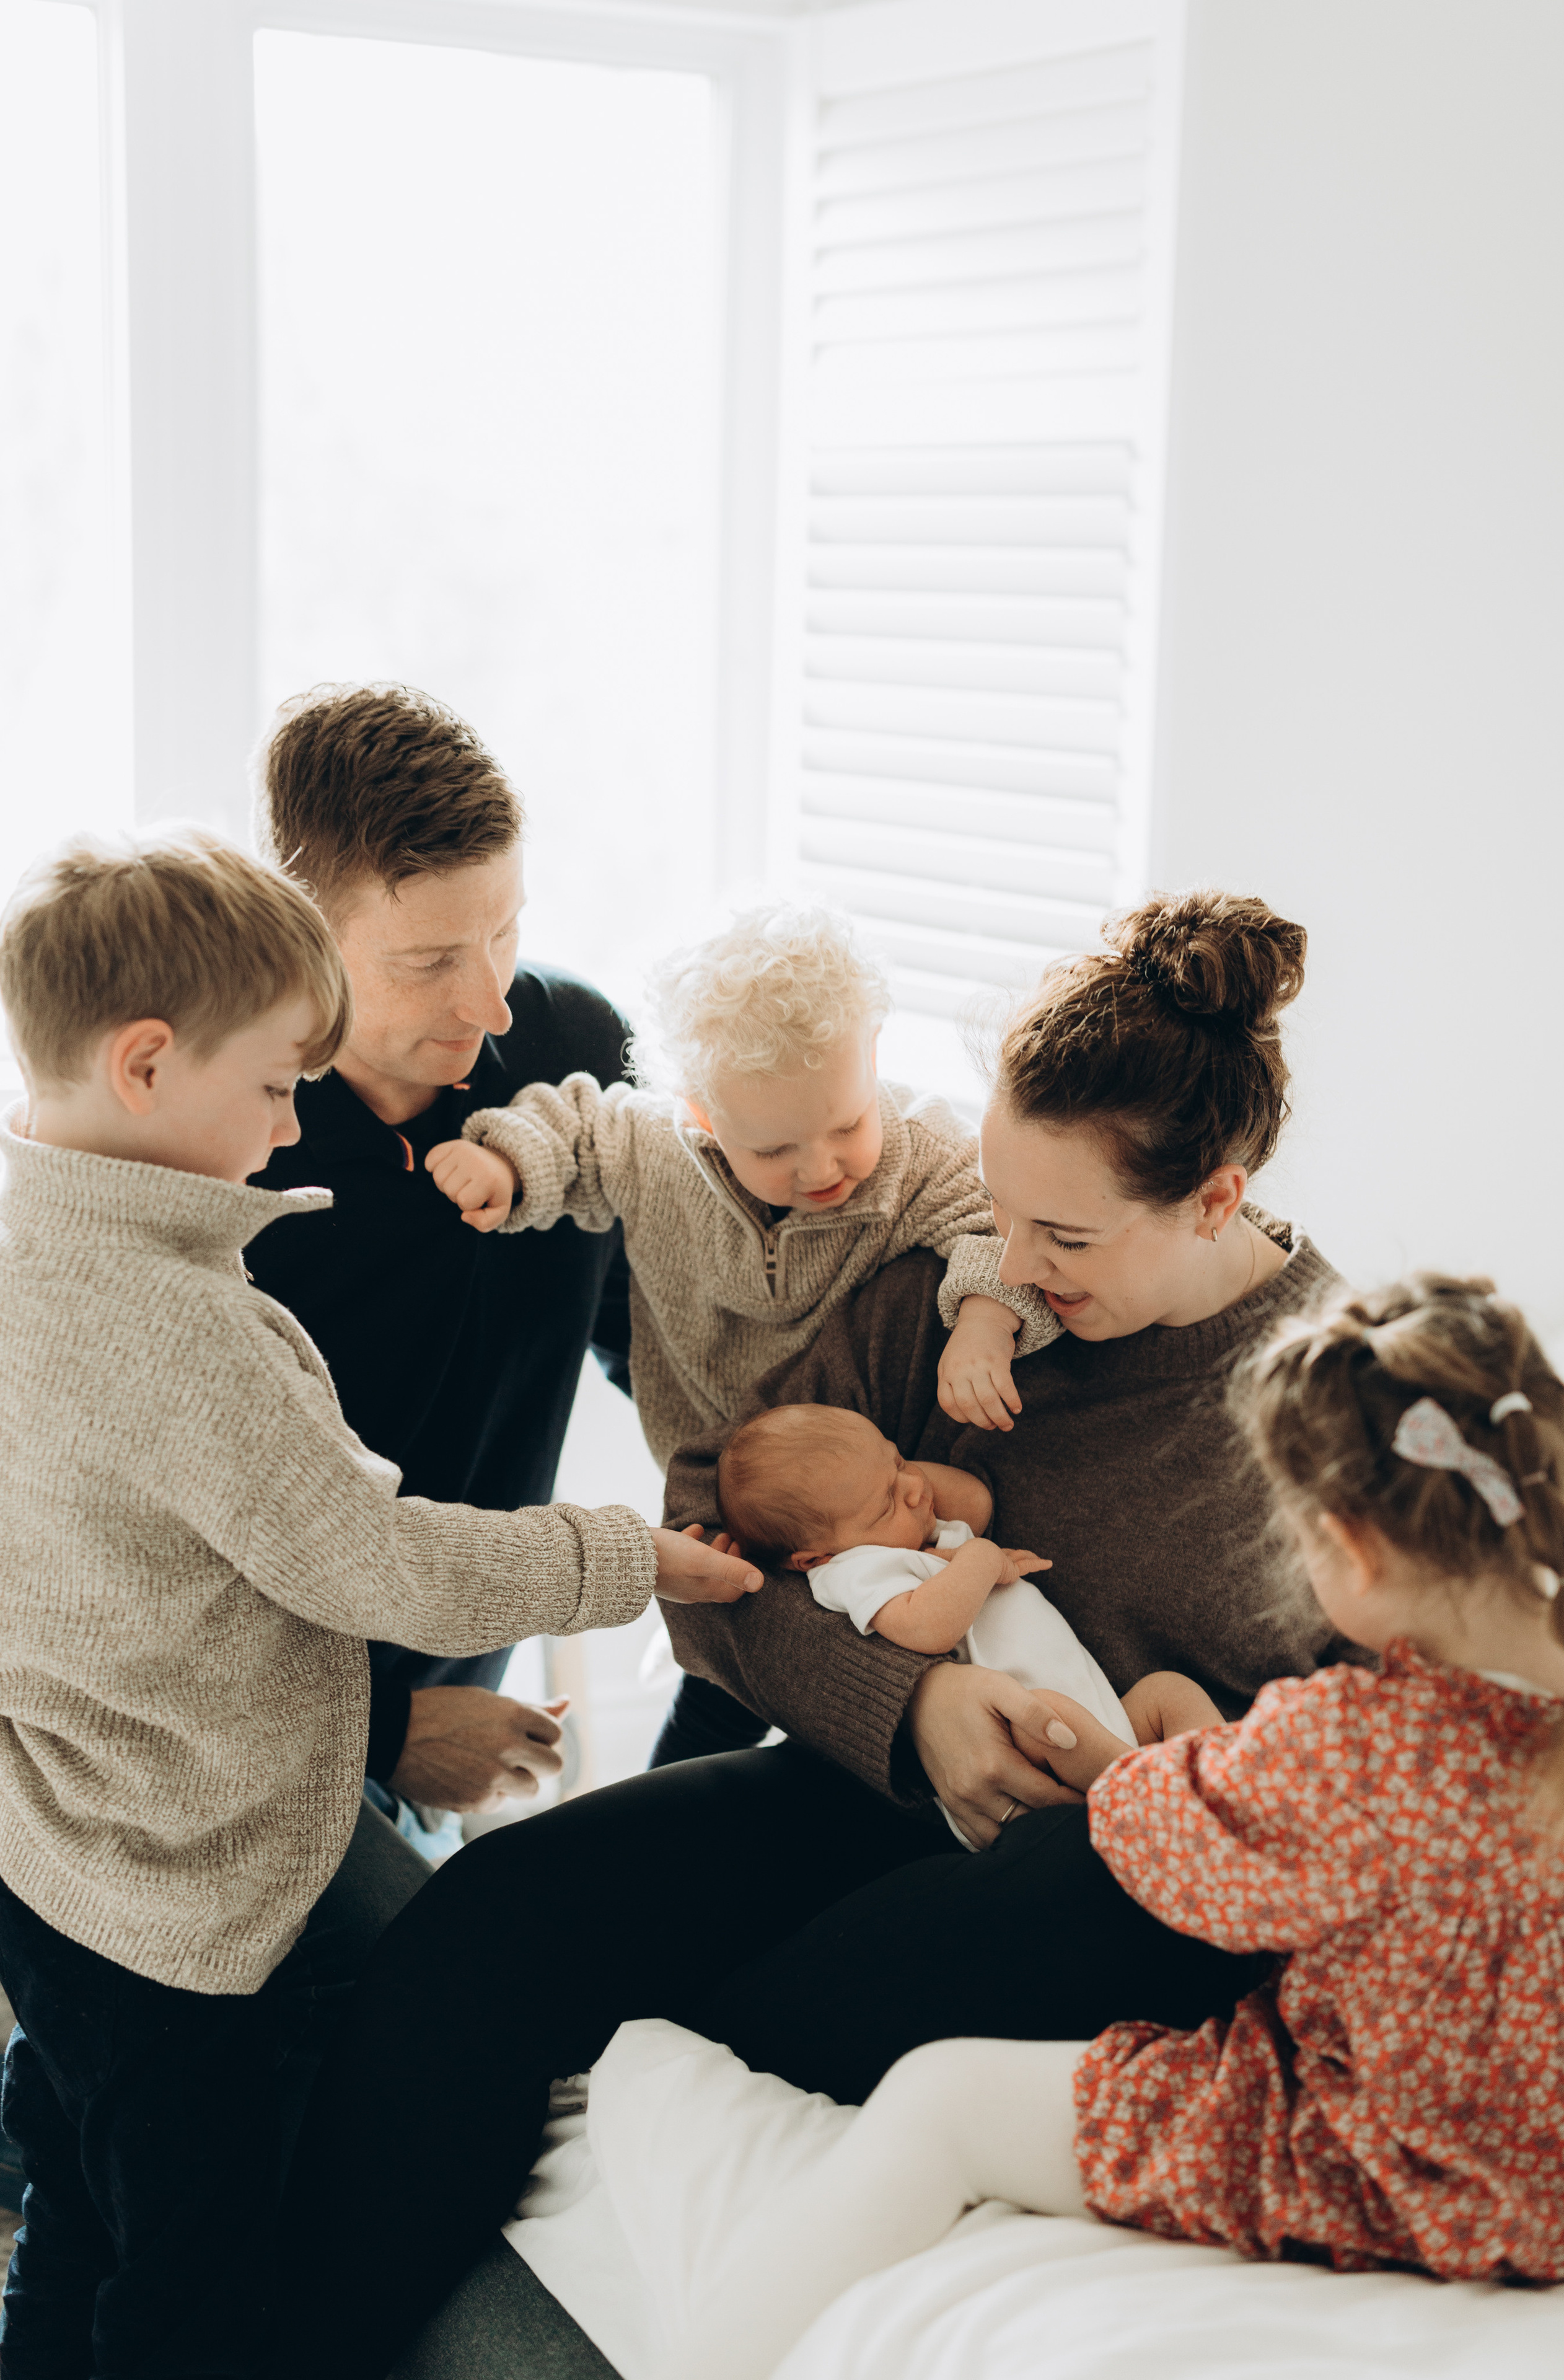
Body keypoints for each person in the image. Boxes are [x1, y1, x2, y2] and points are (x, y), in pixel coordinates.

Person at [276, 888, 1352, 2380]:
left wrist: (1180, 1750)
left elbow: (1371, 1774)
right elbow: (719, 1557)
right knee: (491, 1916)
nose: (1011, 1267)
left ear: (1216, 1199)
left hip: (1111, 1868)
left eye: (1062, 1235)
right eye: (993, 1204)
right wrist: (905, 1707)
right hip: (868, 1782)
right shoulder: (950, 1294)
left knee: (1070, 1888)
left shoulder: (1332, 1415)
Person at [0, 830, 759, 2380]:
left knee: (79, 2205)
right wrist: (627, 1555)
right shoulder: (190, 1327)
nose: (295, 1120)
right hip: (185, 1912)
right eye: (279, 1083)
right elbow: (379, 1560)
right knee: (195, 2279)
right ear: (146, 1064)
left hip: (52, 1861)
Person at [591, 1271, 1564, 2380]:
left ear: (1348, 1553)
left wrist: (1106, 1755)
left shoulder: (1358, 1743)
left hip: (1412, 2171)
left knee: (943, 2097)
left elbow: (1162, 1841)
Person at [427, 901, 1058, 1765]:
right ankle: (668, 1822)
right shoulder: (650, 1145)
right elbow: (575, 1127)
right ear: (698, 1113)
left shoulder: (915, 1154)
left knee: (867, 1635)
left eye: (846, 1126)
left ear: (872, 1061)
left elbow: (987, 1225)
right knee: (720, 1640)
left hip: (851, 1468)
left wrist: (985, 1321)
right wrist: (504, 1160)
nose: (822, 1167)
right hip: (712, 1454)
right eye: (776, 1149)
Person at [248, 682, 636, 1833]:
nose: (491, 1003)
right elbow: (148, 1558)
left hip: (466, 1698)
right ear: (300, 936)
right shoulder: (227, 1140)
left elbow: (653, 1320)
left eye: (505, 932)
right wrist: (383, 1725)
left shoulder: (575, 1050)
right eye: (428, 963)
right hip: (249, 1740)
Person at [715, 1401, 1221, 1843]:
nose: (914, 1488)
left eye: (899, 1460)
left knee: (1168, 1693)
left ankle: (1231, 1789)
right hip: (1025, 1745)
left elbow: (976, 1502)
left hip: (1103, 1714)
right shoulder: (852, 1570)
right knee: (1050, 1716)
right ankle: (1169, 1819)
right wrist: (980, 1560)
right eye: (887, 1501)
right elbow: (927, 1627)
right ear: (812, 1558)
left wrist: (892, 1479)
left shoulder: (911, 1535)